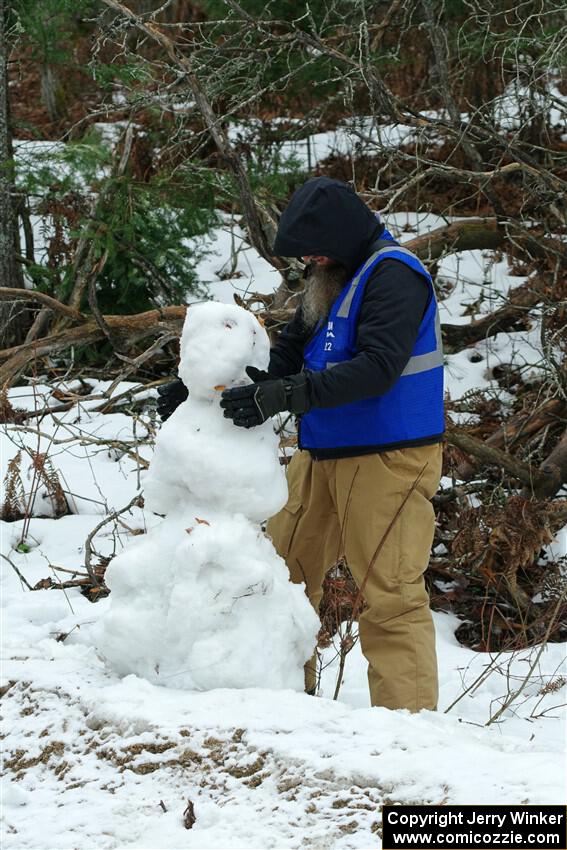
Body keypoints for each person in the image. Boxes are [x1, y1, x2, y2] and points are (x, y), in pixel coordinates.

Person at [158, 177, 444, 712]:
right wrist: (202, 386)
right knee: (281, 580)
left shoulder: (393, 276)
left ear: (341, 234)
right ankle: (288, 709)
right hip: (321, 454)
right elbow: (288, 353)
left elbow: (378, 369)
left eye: (314, 249)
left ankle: (410, 734)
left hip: (388, 458)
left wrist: (287, 396)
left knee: (390, 597)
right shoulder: (333, 275)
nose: (308, 260)